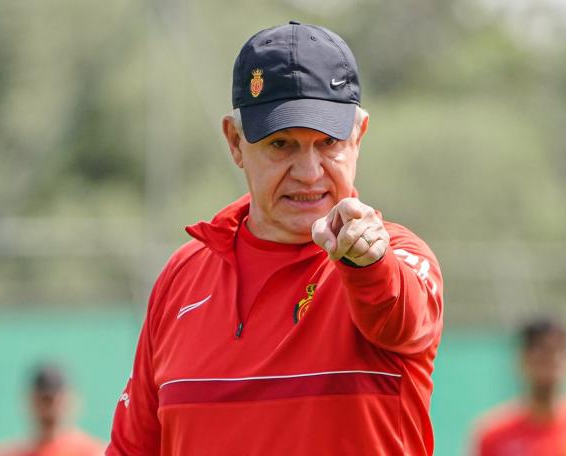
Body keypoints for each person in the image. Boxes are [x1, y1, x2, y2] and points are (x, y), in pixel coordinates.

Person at [107, 21, 444, 455]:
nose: (308, 172)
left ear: (358, 136)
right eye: (281, 144)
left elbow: (397, 313)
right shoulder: (182, 277)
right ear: (234, 141)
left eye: (328, 142)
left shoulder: (395, 257)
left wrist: (366, 264)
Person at [471, 317, 566, 456]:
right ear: (522, 358)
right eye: (542, 350)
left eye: (559, 350)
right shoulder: (493, 435)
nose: (552, 358)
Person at [0, 363, 104, 456]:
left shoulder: (95, 453)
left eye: (54, 400)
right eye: (44, 400)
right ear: (30, 401)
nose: (50, 409)